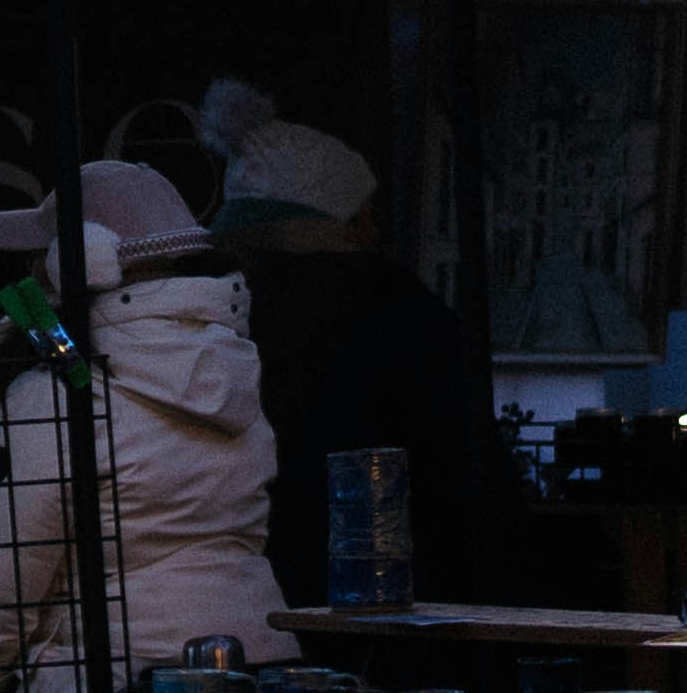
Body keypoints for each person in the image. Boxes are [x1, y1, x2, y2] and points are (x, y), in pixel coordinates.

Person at [0, 154, 272, 693]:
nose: (26, 274)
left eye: (38, 257)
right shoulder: (234, 370)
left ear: (73, 267)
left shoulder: (54, 397)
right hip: (254, 679)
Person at [198, 117, 525, 613]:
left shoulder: (212, 320)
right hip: (395, 603)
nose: (377, 229)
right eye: (365, 215)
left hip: (242, 595)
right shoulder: (403, 313)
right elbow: (470, 478)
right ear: (343, 222)